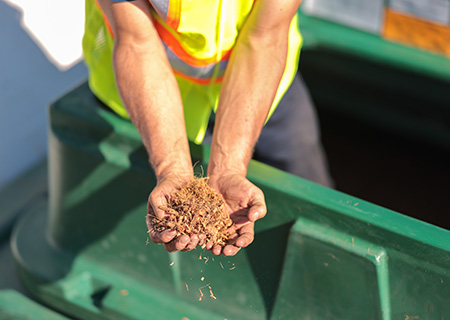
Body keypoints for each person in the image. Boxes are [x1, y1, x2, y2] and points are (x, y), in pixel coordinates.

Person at [83, 0, 332, 257]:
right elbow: (137, 44)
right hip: (149, 103)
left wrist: (229, 168)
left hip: (263, 86)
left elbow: (264, 37)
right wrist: (171, 168)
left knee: (304, 175)